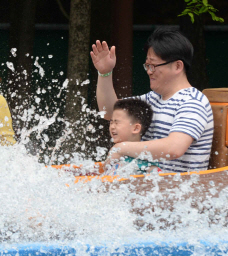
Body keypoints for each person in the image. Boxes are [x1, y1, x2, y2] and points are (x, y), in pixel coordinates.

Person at [91, 27, 213, 173]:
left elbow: (174, 148)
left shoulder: (193, 102)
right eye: (147, 65)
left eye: (153, 66)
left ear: (177, 66)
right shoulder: (152, 98)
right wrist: (105, 73)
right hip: (147, 186)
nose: (149, 71)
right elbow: (110, 112)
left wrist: (121, 148)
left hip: (173, 191)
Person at [103, 98, 161, 176]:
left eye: (117, 123)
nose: (112, 127)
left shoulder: (144, 159)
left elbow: (159, 177)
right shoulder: (116, 153)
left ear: (136, 128)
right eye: (111, 122)